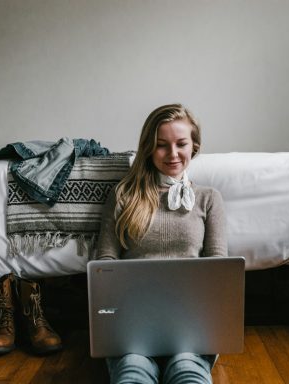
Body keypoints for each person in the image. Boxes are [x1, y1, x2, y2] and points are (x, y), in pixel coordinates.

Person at [96, 103, 228, 384]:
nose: (173, 154)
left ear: (195, 146)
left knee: (187, 372)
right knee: (133, 372)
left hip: (192, 329)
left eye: (181, 144)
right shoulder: (122, 196)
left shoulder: (208, 198)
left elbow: (220, 272)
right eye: (161, 145)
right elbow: (104, 266)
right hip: (132, 328)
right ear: (148, 148)